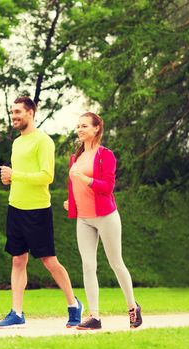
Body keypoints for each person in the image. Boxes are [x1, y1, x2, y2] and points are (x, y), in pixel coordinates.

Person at [0, 96, 83, 329]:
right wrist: (9, 180)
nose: (14, 116)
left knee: (49, 261)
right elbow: (19, 175)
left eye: (18, 112)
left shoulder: (44, 141)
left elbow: (47, 176)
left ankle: (74, 305)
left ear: (31, 113)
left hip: (37, 210)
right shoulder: (16, 143)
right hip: (15, 207)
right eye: (12, 112)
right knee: (17, 260)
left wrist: (15, 175)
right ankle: (17, 312)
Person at [63, 112, 143, 330]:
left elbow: (107, 187)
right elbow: (74, 186)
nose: (79, 130)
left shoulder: (105, 155)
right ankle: (94, 317)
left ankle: (133, 307)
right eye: (78, 126)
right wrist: (72, 203)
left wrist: (85, 179)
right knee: (88, 266)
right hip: (84, 218)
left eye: (84, 126)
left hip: (106, 216)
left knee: (116, 263)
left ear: (96, 128)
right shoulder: (76, 157)